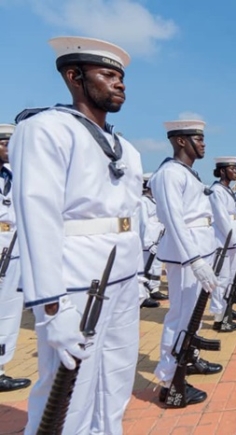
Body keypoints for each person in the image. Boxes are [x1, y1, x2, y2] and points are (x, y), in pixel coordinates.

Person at [11, 37, 142, 433]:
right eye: (107, 74)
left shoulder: (128, 148)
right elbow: (38, 216)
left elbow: (133, 215)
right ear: (74, 77)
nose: (119, 83)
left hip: (121, 277)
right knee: (68, 390)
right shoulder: (45, 130)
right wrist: (50, 306)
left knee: (116, 376)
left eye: (121, 77)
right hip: (75, 280)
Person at [151, 119, 223, 407]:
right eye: (198, 138)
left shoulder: (187, 173)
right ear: (181, 141)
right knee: (179, 318)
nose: (203, 143)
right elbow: (173, 220)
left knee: (190, 317)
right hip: (186, 256)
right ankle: (170, 382)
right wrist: (194, 259)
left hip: (198, 251)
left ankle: (186, 360)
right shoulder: (169, 173)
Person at [0, 124, 30, 393]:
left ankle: (0, 368)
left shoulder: (14, 176)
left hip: (13, 247)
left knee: (8, 310)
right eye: (4, 144)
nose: (9, 150)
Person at [209, 157, 236, 332]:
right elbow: (222, 219)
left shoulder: (227, 191)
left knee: (230, 279)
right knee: (221, 280)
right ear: (223, 171)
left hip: (232, 241)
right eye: (232, 168)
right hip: (223, 241)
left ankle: (227, 311)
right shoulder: (216, 191)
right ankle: (219, 318)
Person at [139, 173, 168, 308]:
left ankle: (154, 288)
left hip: (157, 237)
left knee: (156, 265)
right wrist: (147, 242)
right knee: (146, 266)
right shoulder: (143, 201)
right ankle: (144, 294)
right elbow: (143, 222)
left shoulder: (155, 201)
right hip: (149, 239)